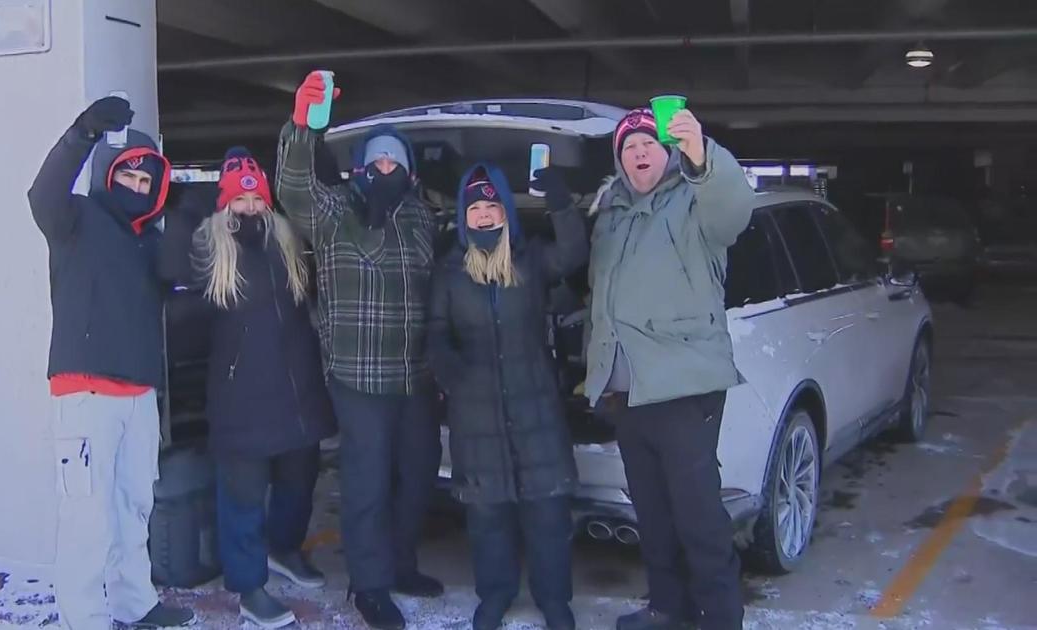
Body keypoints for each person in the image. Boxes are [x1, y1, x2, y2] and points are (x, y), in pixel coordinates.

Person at [276, 71, 442, 630]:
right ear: (362, 167)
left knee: (417, 476)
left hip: (415, 376)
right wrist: (304, 127)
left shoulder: (422, 216)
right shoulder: (333, 212)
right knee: (367, 484)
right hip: (357, 377)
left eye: (396, 163)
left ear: (410, 171)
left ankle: (400, 565)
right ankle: (369, 586)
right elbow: (294, 186)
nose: (386, 170)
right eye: (378, 162)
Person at [583, 107, 755, 630]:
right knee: (653, 515)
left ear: (668, 152)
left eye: (648, 144)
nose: (639, 153)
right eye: (629, 147)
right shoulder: (611, 214)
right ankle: (667, 607)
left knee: (698, 516)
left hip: (684, 387)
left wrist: (703, 156)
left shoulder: (694, 202)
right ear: (620, 159)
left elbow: (734, 211)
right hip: (629, 390)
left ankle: (719, 618)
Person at [27, 96, 193, 630]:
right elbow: (43, 192)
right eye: (129, 178)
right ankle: (84, 617)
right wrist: (84, 132)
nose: (137, 190)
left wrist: (187, 215)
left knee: (133, 508)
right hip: (85, 396)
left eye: (148, 184)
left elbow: (177, 276)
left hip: (138, 398)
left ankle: (134, 602)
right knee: (87, 517)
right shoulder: (74, 220)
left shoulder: (151, 243)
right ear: (107, 176)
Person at [159, 148, 337, 629]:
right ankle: (249, 587)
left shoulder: (287, 241)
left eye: (256, 197)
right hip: (242, 396)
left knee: (299, 482)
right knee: (242, 495)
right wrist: (188, 209)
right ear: (226, 202)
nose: (250, 206)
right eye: (240, 198)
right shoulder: (209, 245)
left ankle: (284, 548)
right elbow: (171, 266)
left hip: (298, 389)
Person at [427, 164, 587, 630]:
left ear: (506, 212)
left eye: (490, 206)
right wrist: (444, 359)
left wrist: (561, 203)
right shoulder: (450, 272)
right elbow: (435, 328)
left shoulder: (530, 260)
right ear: (463, 215)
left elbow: (574, 252)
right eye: (473, 207)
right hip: (475, 413)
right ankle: (495, 595)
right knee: (487, 515)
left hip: (534, 406)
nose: (481, 215)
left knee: (548, 515)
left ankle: (554, 599)